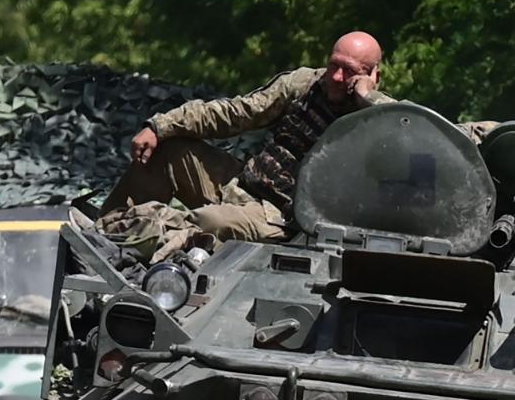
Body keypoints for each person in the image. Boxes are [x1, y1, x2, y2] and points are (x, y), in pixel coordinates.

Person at [97, 31, 391, 255]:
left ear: (374, 75)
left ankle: (129, 239)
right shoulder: (305, 85)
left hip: (280, 219)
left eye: (350, 71)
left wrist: (367, 98)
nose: (337, 77)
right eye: (333, 66)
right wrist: (160, 126)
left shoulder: (379, 119)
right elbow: (236, 113)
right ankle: (102, 234)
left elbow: (410, 131)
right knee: (170, 150)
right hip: (243, 184)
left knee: (208, 221)